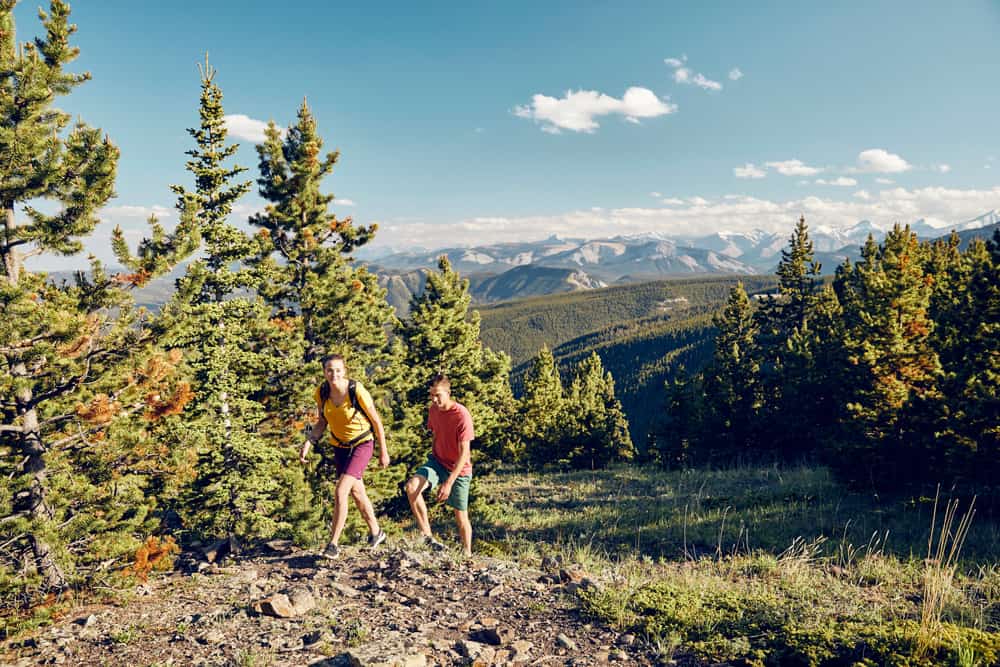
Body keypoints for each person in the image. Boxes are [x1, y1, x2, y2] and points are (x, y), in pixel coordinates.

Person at [300, 354, 390, 559]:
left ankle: (333, 544)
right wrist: (309, 442)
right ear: (324, 372)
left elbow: (376, 421)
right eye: (329, 370)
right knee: (357, 492)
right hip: (339, 446)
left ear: (344, 370)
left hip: (362, 443)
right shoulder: (322, 393)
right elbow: (322, 421)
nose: (334, 374)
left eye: (338, 370)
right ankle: (377, 533)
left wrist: (383, 451)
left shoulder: (356, 390)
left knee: (341, 491)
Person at [404, 373, 474, 558]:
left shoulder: (461, 415)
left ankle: (467, 554)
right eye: (432, 395)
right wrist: (433, 459)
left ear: (448, 393)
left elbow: (464, 453)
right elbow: (436, 433)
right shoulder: (433, 410)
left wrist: (449, 483)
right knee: (412, 487)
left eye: (438, 395)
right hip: (437, 462)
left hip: (459, 470)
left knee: (461, 516)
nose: (434, 399)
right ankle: (427, 535)